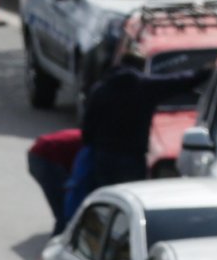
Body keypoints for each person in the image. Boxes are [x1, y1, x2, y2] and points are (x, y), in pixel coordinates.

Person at [67, 51, 160, 213]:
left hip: (105, 155)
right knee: (133, 201)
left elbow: (88, 125)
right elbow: (179, 82)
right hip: (131, 157)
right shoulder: (146, 88)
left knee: (106, 200)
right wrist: (202, 72)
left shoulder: (102, 88)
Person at [27, 127, 81, 228]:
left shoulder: (87, 136)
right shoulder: (92, 145)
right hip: (45, 158)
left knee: (65, 205)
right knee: (65, 212)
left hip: (36, 153)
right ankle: (61, 233)